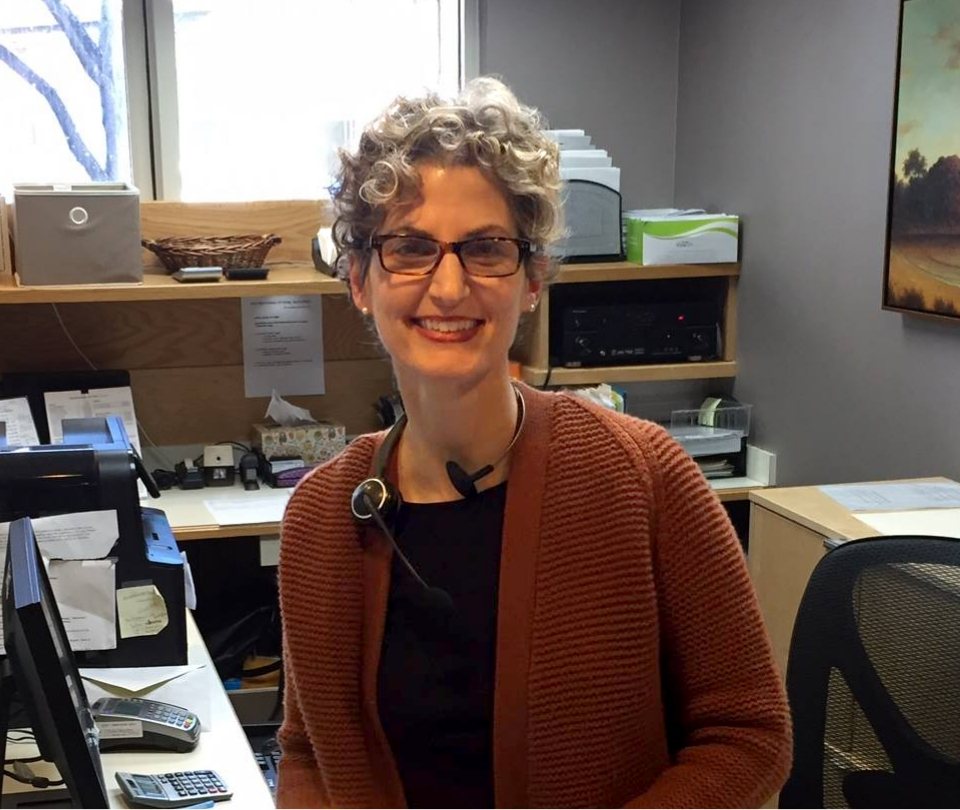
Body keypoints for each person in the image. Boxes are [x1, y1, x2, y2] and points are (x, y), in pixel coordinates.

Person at [276, 76, 792, 808]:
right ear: (359, 278)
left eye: (486, 249)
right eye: (411, 248)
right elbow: (306, 751)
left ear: (533, 279)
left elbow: (749, 733)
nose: (449, 288)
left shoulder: (645, 477)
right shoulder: (322, 519)